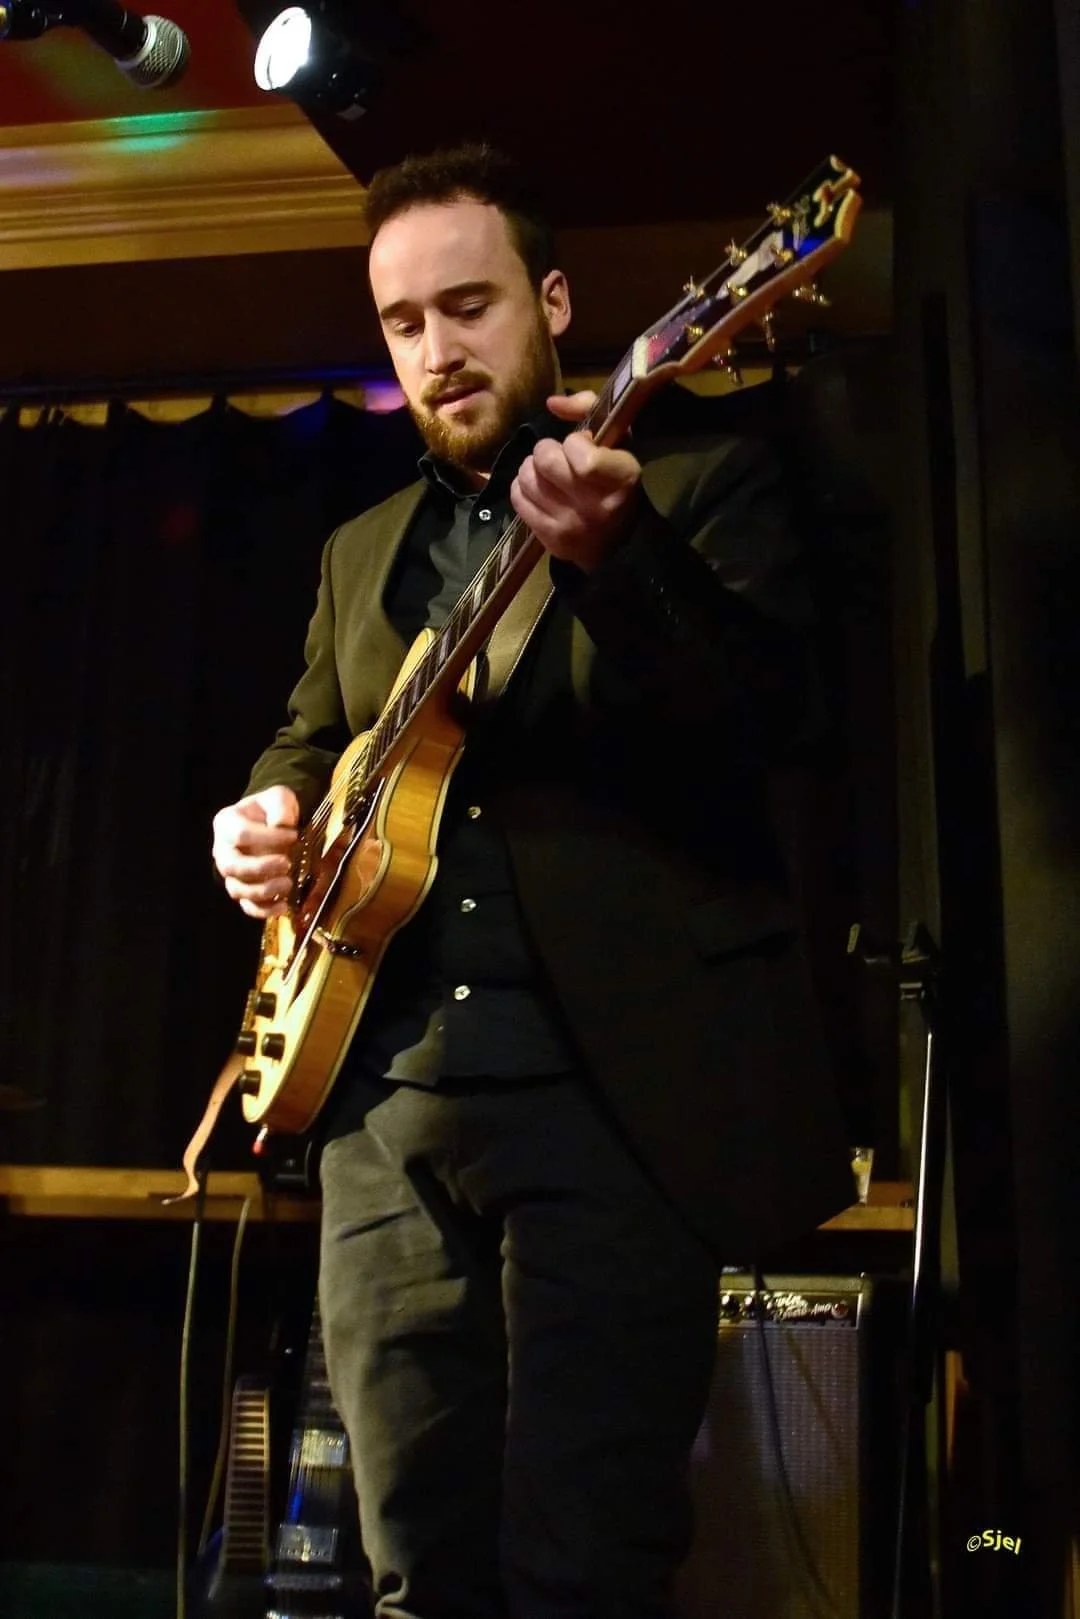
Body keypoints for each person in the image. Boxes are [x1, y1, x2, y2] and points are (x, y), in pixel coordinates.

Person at [211, 144, 853, 1619]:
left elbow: (776, 723)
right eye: (402, 324)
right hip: (381, 1109)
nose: (437, 352)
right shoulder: (360, 549)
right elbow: (306, 739)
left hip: (609, 1097)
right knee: (410, 1568)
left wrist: (621, 563)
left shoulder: (699, 481)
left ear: (554, 300)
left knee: (589, 1565)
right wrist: (264, 812)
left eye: (470, 305)